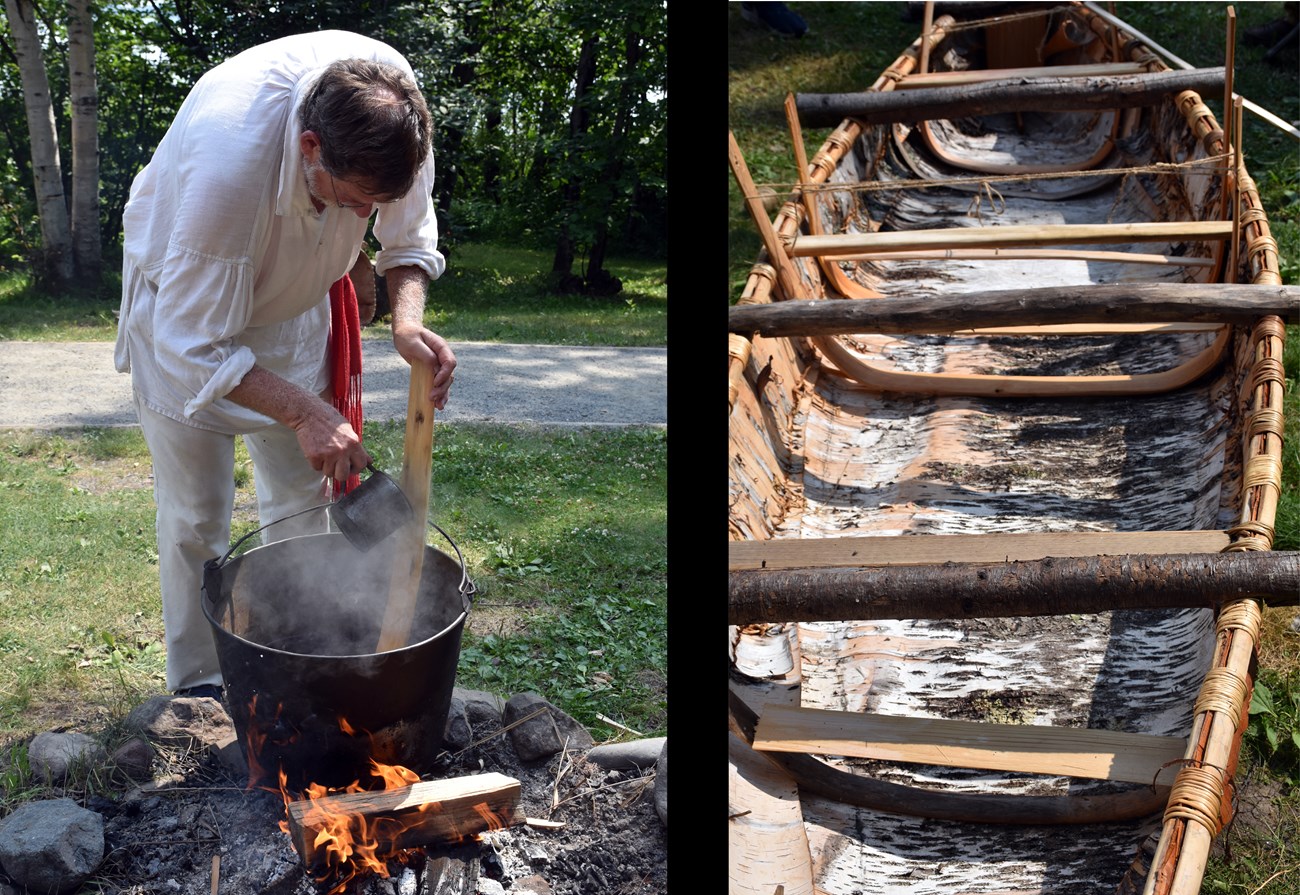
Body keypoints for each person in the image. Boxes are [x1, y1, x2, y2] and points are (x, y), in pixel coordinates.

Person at [115, 31, 456, 700]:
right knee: (196, 519)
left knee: (303, 496)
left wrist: (407, 318)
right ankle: (200, 690)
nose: (364, 216)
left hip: (296, 310)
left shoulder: (396, 111)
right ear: (309, 147)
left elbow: (408, 239)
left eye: (373, 205)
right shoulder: (229, 167)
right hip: (185, 313)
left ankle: (297, 659)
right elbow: (192, 343)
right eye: (355, 199)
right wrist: (305, 410)